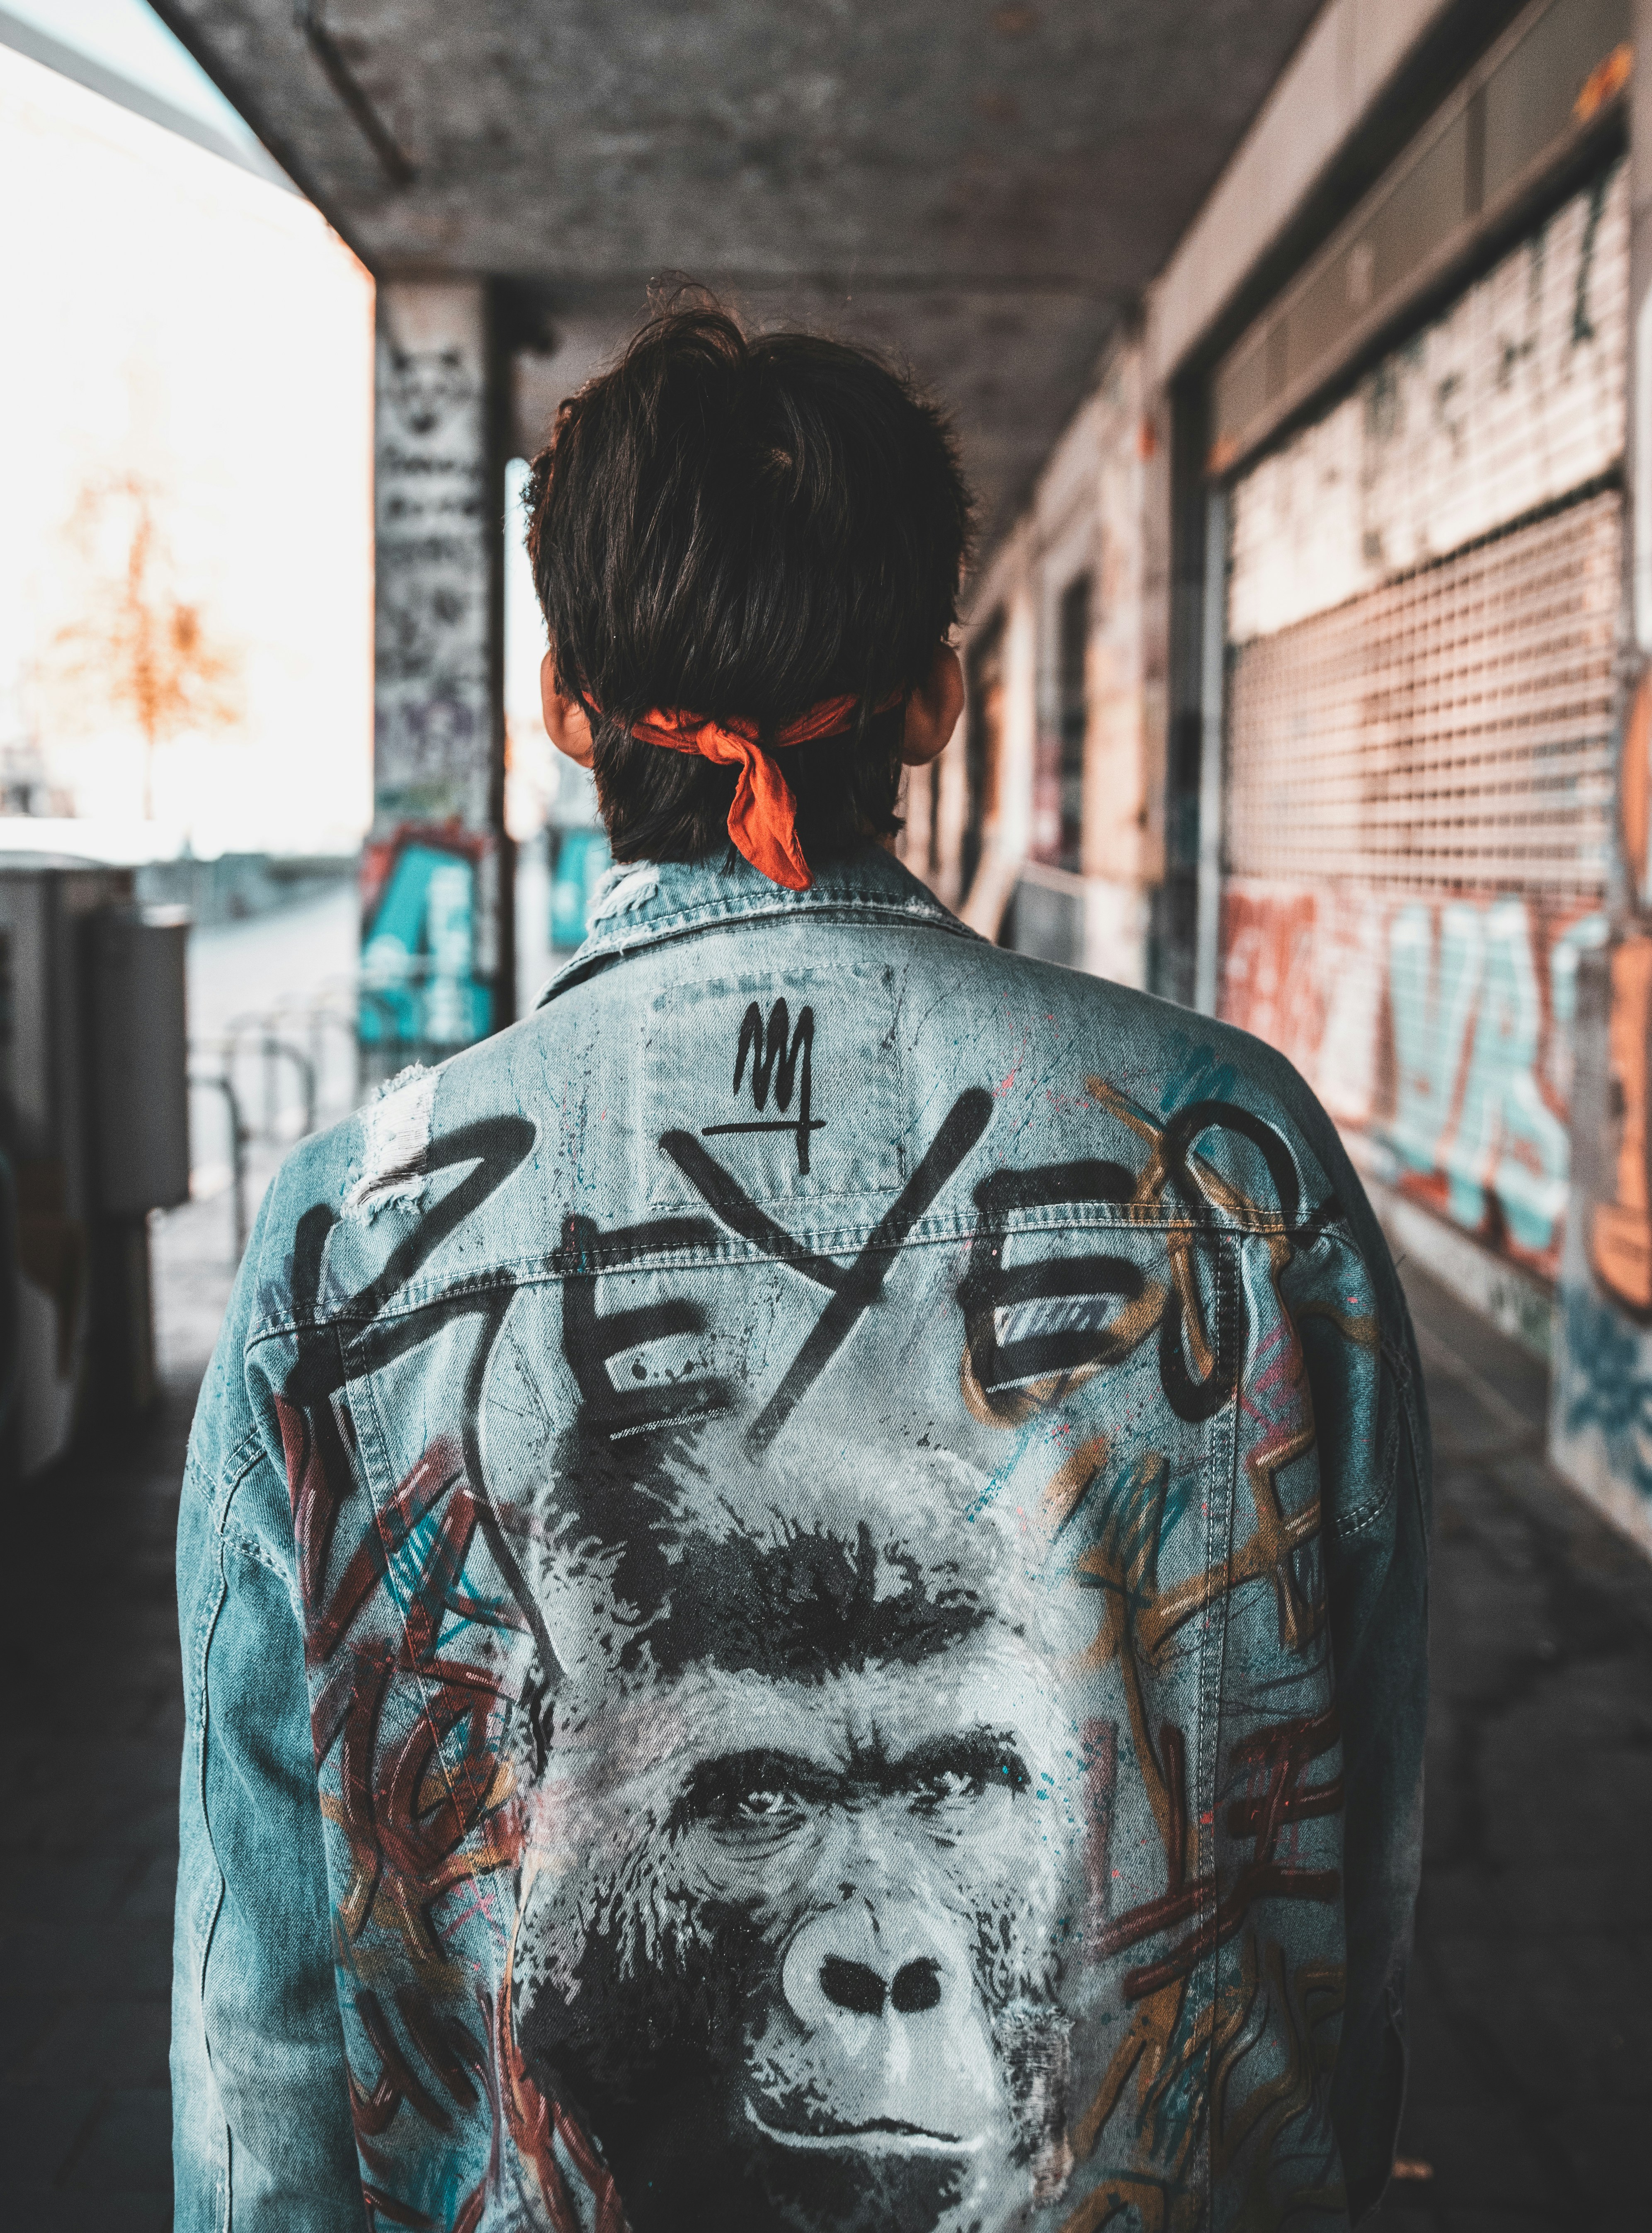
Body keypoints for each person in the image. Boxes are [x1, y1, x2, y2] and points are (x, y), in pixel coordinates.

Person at [172, 307, 1429, 2233]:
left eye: (947, 1786)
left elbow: (262, 2033)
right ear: (932, 701)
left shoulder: (353, 1235)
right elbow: (1340, 1891)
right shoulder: (1234, 1163)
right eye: (757, 1803)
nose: (884, 1953)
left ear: (561, 710)